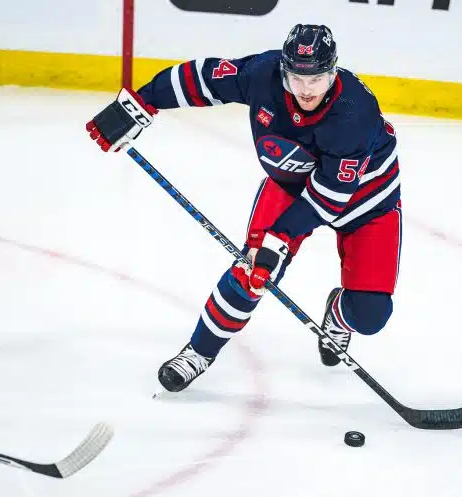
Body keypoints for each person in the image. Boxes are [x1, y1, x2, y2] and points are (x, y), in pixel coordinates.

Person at [86, 24, 402, 393]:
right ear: (283, 70)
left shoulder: (354, 113)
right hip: (290, 186)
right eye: (297, 78)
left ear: (333, 73)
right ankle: (198, 353)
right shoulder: (262, 75)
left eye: (316, 79)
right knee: (252, 272)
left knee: (370, 315)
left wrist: (278, 239)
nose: (306, 90)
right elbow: (203, 78)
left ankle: (337, 315)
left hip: (368, 201)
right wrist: (140, 103)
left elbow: (328, 198)